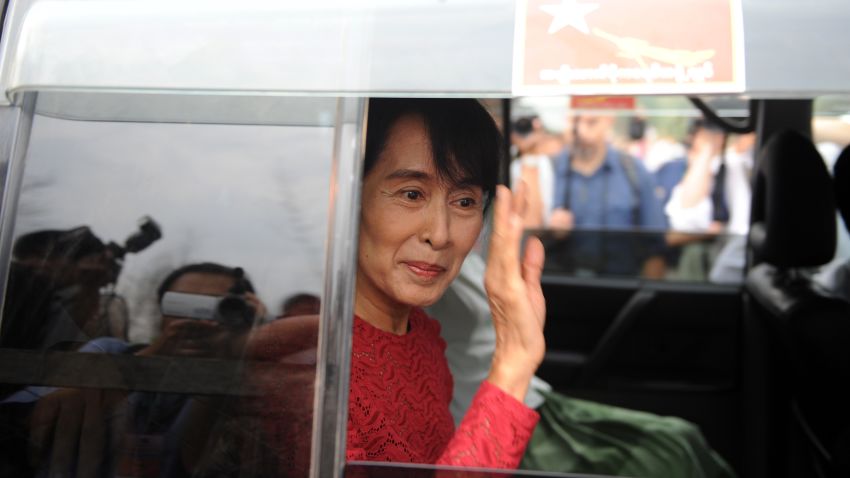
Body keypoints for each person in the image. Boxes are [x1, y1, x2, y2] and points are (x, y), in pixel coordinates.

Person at [345, 98, 545, 468]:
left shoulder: (420, 336)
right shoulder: (320, 368)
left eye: (465, 202)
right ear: (350, 199)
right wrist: (513, 364)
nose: (440, 234)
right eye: (411, 194)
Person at [549, 114, 667, 277]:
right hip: (558, 285)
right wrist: (548, 232)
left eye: (591, 121)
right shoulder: (548, 170)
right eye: (575, 121)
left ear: (608, 120)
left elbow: (655, 247)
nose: (581, 131)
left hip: (621, 287)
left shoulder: (633, 170)